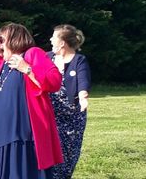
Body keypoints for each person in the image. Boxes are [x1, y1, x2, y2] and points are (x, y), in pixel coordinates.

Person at [0, 18, 63, 178]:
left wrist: (27, 69)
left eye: (1, 40)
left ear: (15, 39)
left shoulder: (32, 54)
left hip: (20, 138)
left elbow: (54, 81)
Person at [48, 24, 91, 179]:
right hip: (50, 116)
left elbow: (83, 81)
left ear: (62, 43)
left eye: (54, 37)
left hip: (73, 117)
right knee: (50, 152)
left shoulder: (79, 61)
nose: (50, 39)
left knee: (68, 154)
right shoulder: (48, 58)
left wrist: (83, 97)